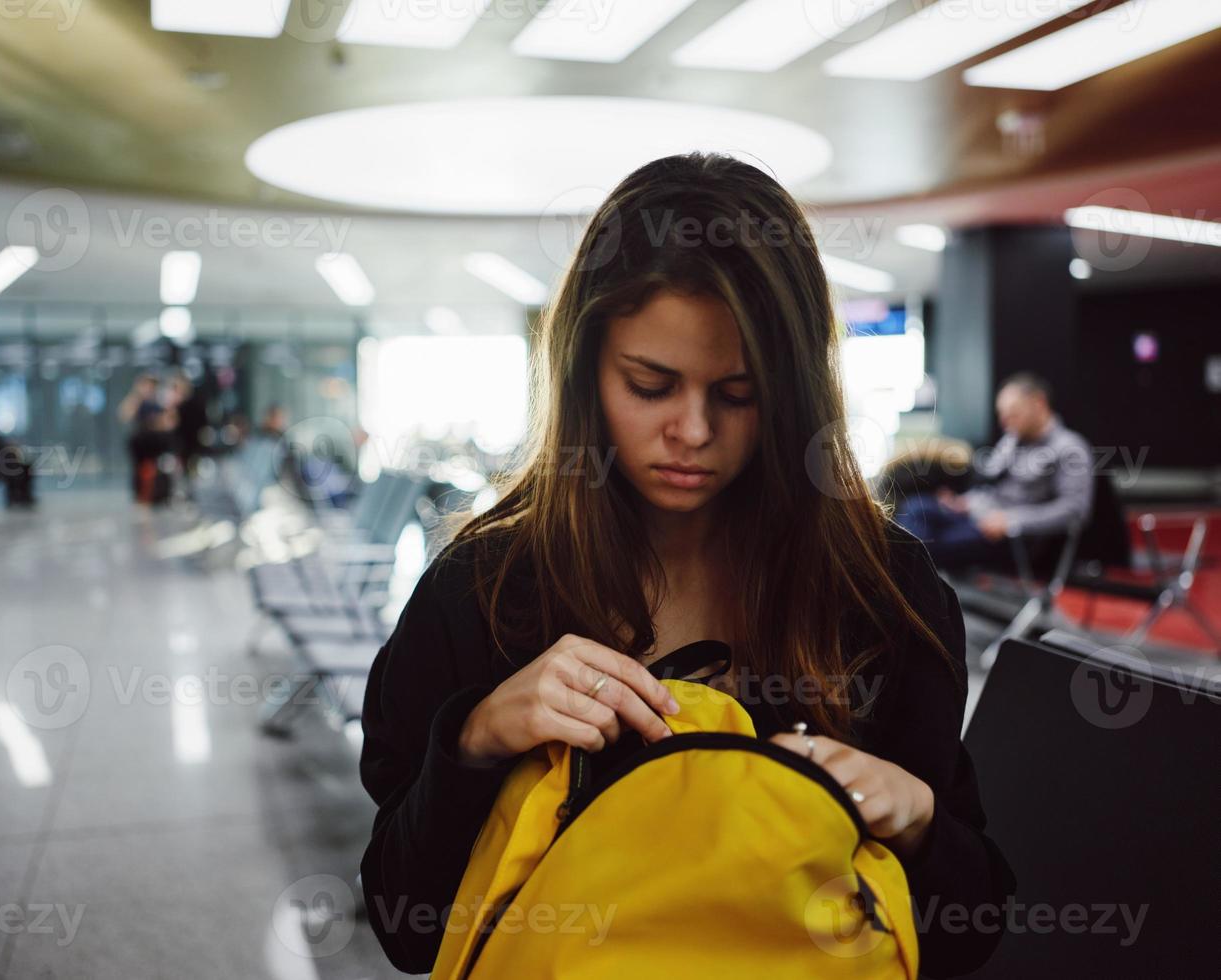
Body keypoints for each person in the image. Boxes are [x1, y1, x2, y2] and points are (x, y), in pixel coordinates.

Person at [358, 152, 1015, 979]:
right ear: (583, 371)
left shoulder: (881, 593)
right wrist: (478, 737)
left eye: (737, 394)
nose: (694, 431)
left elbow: (965, 933)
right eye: (651, 385)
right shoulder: (485, 589)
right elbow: (405, 927)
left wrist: (917, 818)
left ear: (796, 391)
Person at [895, 373, 1094, 570]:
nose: (1005, 422)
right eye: (1003, 414)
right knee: (916, 508)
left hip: (1011, 538)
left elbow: (1075, 512)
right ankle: (905, 578)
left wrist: (1011, 520)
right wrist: (965, 502)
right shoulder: (1011, 440)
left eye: (1013, 413)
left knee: (927, 545)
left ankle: (902, 582)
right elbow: (991, 484)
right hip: (977, 517)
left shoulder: (1070, 448)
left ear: (1039, 403)